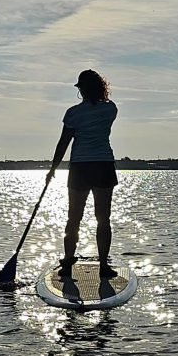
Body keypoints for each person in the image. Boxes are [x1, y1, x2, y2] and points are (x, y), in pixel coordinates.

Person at [49, 68, 119, 278]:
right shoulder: (110, 109)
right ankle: (103, 266)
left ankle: (68, 264)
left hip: (80, 167)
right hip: (103, 165)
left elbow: (63, 142)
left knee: (74, 218)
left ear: (81, 90)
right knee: (103, 218)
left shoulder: (73, 113)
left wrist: (53, 168)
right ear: (101, 88)